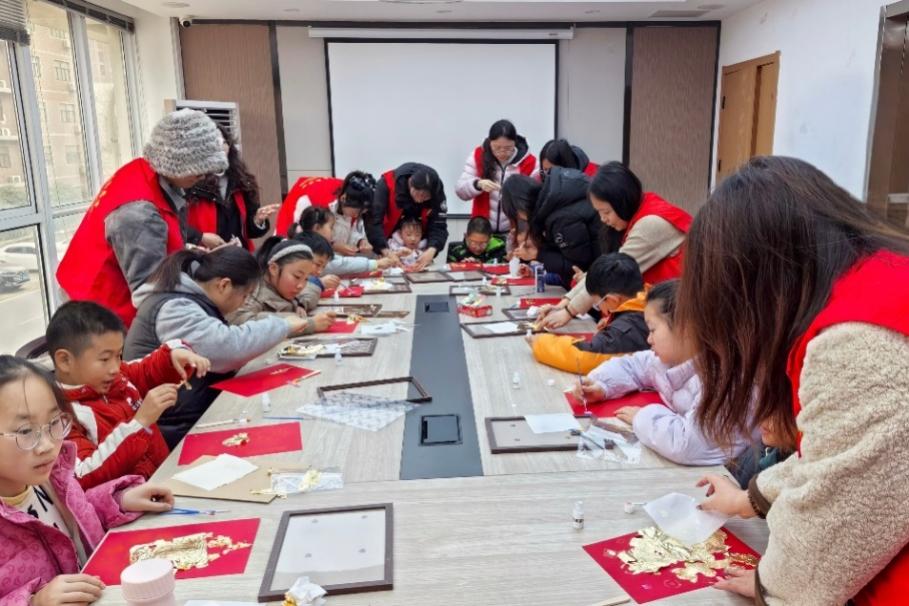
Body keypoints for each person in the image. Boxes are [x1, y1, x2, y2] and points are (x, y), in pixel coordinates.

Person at [679, 157, 909, 605]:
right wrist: (752, 498)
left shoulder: (854, 340)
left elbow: (835, 524)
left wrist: (773, 584)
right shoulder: (880, 278)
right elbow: (842, 460)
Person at [0, 356, 175, 605]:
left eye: (54, 423)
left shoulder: (52, 476)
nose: (47, 445)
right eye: (25, 431)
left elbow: (76, 517)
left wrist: (118, 500)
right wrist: (33, 602)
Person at [56, 109, 228, 327]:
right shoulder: (139, 212)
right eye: (199, 170)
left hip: (94, 293)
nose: (203, 176)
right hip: (101, 310)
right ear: (177, 163)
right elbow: (150, 294)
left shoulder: (142, 170)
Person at [125, 247, 310, 447]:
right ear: (224, 285)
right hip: (172, 430)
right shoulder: (175, 307)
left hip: (186, 416)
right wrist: (282, 326)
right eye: (245, 296)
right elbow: (227, 348)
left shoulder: (187, 301)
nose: (243, 303)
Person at [572, 280, 751, 465]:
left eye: (653, 330)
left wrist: (642, 417)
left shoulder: (721, 380)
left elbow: (686, 446)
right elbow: (634, 365)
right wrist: (601, 385)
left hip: (731, 473)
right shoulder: (669, 360)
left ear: (684, 328)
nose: (649, 339)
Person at [46, 301, 209, 489]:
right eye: (105, 359)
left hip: (161, 478)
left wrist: (173, 357)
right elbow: (83, 475)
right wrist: (139, 423)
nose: (115, 368)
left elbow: (145, 370)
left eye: (118, 356)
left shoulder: (116, 377)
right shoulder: (61, 416)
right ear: (65, 360)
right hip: (129, 500)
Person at [537, 162, 692, 329]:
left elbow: (611, 275)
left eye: (606, 212)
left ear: (622, 202)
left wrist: (568, 311)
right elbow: (603, 271)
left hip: (681, 315)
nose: (603, 219)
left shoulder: (651, 224)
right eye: (599, 212)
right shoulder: (639, 211)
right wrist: (563, 304)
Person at [528, 253, 649, 373]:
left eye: (597, 304)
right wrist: (612, 321)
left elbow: (584, 357)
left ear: (612, 300)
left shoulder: (629, 327)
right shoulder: (647, 302)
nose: (600, 308)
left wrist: (540, 342)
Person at [500, 168, 601, 286]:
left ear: (520, 206)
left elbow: (577, 267)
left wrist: (538, 255)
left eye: (517, 215)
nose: (521, 219)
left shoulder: (561, 217)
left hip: (596, 280)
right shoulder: (552, 204)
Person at [186, 124, 279, 250]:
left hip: (236, 253)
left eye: (224, 142)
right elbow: (173, 224)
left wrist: (257, 220)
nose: (220, 147)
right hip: (202, 253)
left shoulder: (242, 180)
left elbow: (249, 231)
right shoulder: (189, 180)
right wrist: (200, 237)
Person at [228, 238, 336, 332]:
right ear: (274, 269)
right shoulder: (252, 292)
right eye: (297, 276)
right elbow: (241, 322)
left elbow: (307, 293)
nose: (301, 285)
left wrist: (301, 304)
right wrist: (308, 324)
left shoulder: (284, 286)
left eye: (306, 279)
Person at [456, 119, 537, 234]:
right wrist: (477, 184)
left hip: (514, 229)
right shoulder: (478, 156)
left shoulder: (530, 162)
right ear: (490, 143)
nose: (502, 152)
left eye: (508, 148)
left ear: (515, 143)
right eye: (497, 148)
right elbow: (460, 191)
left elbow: (535, 199)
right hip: (482, 229)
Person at [367, 162, 449, 270]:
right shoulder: (387, 184)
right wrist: (385, 251)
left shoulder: (437, 192)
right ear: (410, 183)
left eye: (426, 197)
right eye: (418, 194)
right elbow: (374, 221)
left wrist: (431, 250)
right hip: (388, 242)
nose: (420, 200)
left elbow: (439, 225)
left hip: (419, 246)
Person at [293, 206, 397, 278]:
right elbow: (339, 264)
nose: (333, 232)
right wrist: (374, 263)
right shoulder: (308, 248)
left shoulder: (318, 245)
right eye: (331, 227)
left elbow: (339, 261)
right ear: (316, 228)